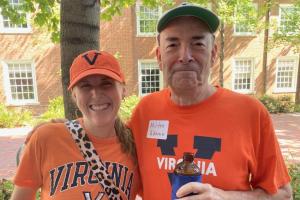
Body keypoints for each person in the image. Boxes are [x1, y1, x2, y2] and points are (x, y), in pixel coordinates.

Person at [128, 2, 292, 200]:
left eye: (197, 44)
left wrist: (223, 197)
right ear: (159, 56)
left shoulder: (250, 112)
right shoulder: (145, 111)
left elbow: (283, 195)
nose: (185, 56)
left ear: (213, 53)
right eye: (172, 44)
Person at [11, 50, 141, 200]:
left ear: (123, 90)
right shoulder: (47, 138)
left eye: (106, 84)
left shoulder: (136, 146)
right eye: (85, 86)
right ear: (74, 95)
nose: (96, 94)